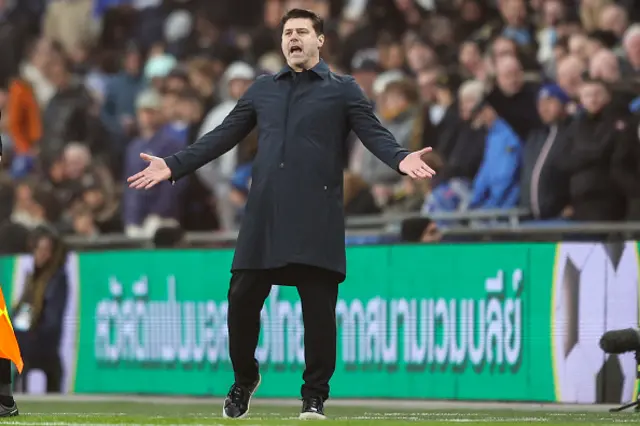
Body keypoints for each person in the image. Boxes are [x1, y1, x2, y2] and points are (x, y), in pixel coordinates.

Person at [127, 8, 434, 420]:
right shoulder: (261, 89)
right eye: (288, 32)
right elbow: (221, 137)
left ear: (320, 40)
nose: (294, 38)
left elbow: (373, 133)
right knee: (240, 297)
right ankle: (244, 379)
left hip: (316, 215)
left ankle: (314, 396)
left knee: (318, 310)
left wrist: (400, 159)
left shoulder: (344, 90)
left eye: (302, 32)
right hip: (265, 215)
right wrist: (173, 165)